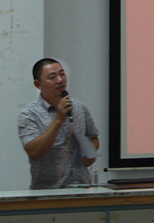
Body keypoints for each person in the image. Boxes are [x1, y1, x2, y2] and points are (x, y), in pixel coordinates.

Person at [18, 58, 100, 189]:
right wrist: (58, 120)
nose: (60, 80)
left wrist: (89, 153)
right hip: (47, 191)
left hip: (81, 187)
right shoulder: (30, 114)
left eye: (62, 74)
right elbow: (34, 152)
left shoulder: (79, 107)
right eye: (52, 77)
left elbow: (93, 137)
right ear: (38, 84)